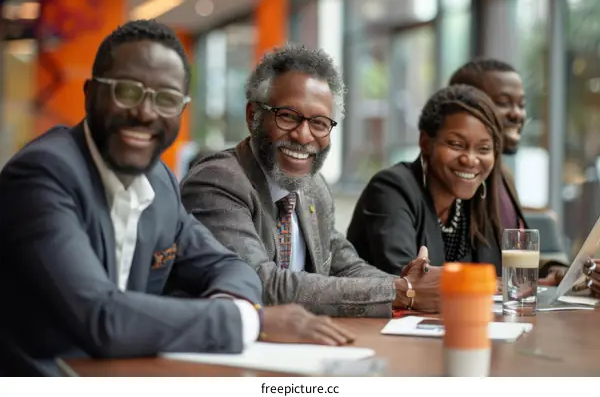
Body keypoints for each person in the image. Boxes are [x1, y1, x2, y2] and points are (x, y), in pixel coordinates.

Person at [0, 21, 354, 375]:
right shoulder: (42, 175)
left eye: (167, 99)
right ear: (90, 94)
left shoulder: (160, 181)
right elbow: (101, 317)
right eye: (127, 91)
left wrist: (237, 309)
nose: (145, 112)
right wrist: (251, 321)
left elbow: (230, 268)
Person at [180, 44, 439, 317]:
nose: (304, 136)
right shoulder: (217, 182)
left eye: (319, 122)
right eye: (288, 117)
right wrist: (403, 292)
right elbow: (261, 284)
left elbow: (347, 267)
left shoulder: (313, 188)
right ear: (252, 116)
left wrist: (415, 287)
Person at [347, 85, 503, 291]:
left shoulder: (474, 201)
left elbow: (497, 277)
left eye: (483, 149)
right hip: (378, 322)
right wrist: (480, 283)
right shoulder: (390, 189)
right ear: (426, 143)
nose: (470, 159)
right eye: (456, 144)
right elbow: (407, 283)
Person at [448, 58, 569, 282]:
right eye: (503, 103)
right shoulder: (455, 180)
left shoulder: (504, 176)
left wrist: (558, 270)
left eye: (521, 104)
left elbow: (502, 258)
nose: (517, 114)